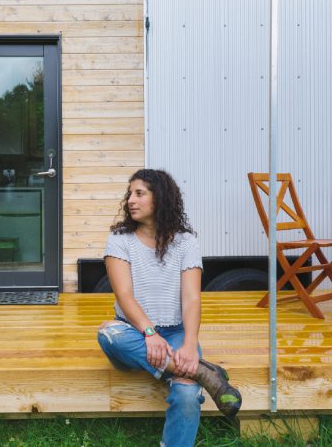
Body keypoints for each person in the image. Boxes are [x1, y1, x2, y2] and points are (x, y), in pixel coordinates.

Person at [97, 169, 241, 447]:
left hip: (175, 333)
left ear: (159, 198)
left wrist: (189, 344)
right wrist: (150, 333)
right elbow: (124, 295)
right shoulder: (119, 239)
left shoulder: (186, 242)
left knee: (187, 396)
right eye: (130, 193)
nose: (130, 200)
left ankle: (187, 368)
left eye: (139, 193)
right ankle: (201, 372)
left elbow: (192, 298)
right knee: (109, 334)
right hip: (134, 333)